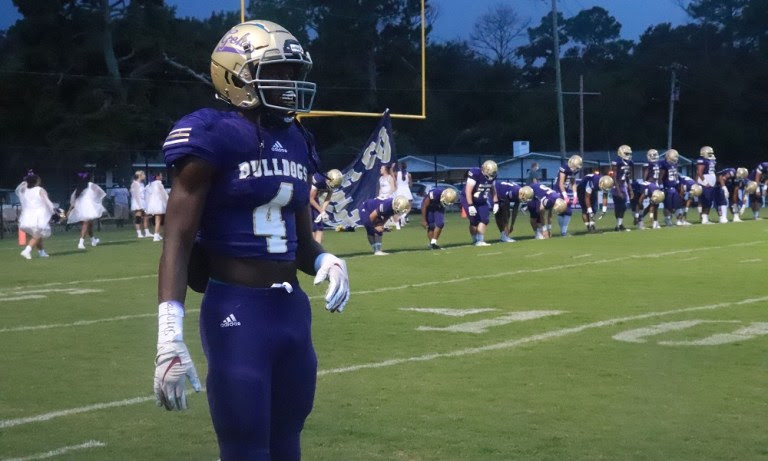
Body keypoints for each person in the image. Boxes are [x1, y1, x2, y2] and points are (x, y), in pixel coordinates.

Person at [153, 20, 350, 461]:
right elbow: (178, 239)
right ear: (236, 73)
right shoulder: (211, 132)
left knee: (288, 442)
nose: (289, 84)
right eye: (276, 72)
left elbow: (300, 241)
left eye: (291, 73)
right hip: (237, 310)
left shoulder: (297, 137)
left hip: (292, 310)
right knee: (245, 446)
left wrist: (325, 261)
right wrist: (168, 334)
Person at [16, 171, 55, 259]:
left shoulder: (25, 191)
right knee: (38, 234)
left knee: (37, 234)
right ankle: (27, 250)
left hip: (27, 216)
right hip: (38, 215)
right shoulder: (40, 189)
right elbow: (47, 200)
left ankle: (41, 252)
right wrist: (53, 209)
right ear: (36, 181)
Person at [461, 160, 498, 246]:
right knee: (474, 221)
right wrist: (470, 205)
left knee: (484, 219)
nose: (492, 175)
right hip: (468, 198)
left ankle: (480, 240)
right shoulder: (475, 173)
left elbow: (493, 189)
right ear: (484, 170)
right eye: (490, 173)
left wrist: (496, 202)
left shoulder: (492, 176)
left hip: (481, 199)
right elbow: (468, 191)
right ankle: (475, 240)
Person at [66, 172, 105, 250]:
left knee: (89, 224)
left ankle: (93, 240)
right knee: (86, 224)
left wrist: (70, 209)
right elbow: (101, 194)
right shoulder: (92, 185)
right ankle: (81, 242)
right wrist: (97, 201)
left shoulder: (80, 187)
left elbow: (74, 198)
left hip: (80, 207)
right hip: (87, 207)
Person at [309, 169, 343, 243]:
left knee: (319, 227)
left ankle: (317, 250)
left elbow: (328, 198)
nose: (333, 186)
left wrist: (322, 212)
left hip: (314, 198)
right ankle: (310, 249)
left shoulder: (331, 183)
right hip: (305, 198)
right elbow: (310, 198)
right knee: (310, 226)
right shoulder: (319, 179)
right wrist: (321, 211)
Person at [555, 154, 581, 237]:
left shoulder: (574, 170)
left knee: (565, 211)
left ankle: (563, 231)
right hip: (558, 190)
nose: (576, 168)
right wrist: (565, 196)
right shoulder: (564, 168)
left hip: (563, 190)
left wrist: (575, 195)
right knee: (565, 210)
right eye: (576, 166)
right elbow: (561, 184)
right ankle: (563, 232)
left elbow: (573, 183)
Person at [658, 149, 684, 226]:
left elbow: (676, 175)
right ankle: (667, 220)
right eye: (674, 158)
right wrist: (661, 188)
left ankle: (679, 220)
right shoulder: (664, 164)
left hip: (674, 187)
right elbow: (660, 177)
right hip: (667, 187)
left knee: (678, 204)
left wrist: (678, 184)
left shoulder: (675, 164)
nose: (675, 160)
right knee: (668, 205)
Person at [611, 144, 634, 231]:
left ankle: (619, 225)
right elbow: (614, 177)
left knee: (622, 206)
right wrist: (618, 190)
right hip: (616, 186)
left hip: (623, 185)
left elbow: (627, 177)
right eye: (627, 153)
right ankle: (618, 225)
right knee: (620, 206)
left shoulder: (629, 162)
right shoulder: (618, 162)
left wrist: (630, 189)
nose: (628, 155)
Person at [695, 146, 717, 224]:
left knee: (709, 202)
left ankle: (705, 218)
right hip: (704, 184)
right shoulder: (702, 160)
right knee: (705, 201)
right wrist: (705, 182)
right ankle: (703, 218)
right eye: (709, 153)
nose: (711, 154)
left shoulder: (710, 160)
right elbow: (699, 172)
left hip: (710, 184)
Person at [145, 172, 169, 241]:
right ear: (157, 177)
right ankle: (156, 236)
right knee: (158, 220)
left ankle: (157, 234)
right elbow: (163, 193)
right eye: (161, 175)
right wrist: (167, 199)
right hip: (158, 203)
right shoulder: (158, 183)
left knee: (157, 220)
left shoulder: (150, 184)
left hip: (152, 204)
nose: (162, 177)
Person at [130, 170, 152, 238]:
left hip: (143, 202)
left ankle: (147, 232)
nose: (145, 176)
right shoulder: (135, 184)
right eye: (143, 175)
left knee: (146, 217)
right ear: (140, 175)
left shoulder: (142, 184)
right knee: (138, 218)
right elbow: (135, 195)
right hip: (137, 202)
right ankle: (139, 233)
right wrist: (139, 205)